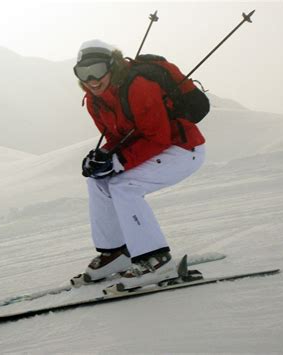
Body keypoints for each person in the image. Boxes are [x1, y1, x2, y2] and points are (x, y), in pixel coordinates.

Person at [73, 39, 207, 289]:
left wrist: (117, 160)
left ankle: (155, 259)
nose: (92, 79)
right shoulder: (94, 101)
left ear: (112, 65)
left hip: (183, 149)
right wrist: (101, 157)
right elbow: (117, 137)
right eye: (83, 72)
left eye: (98, 69)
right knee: (97, 181)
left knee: (124, 186)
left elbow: (159, 136)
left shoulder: (138, 86)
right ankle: (116, 253)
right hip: (152, 150)